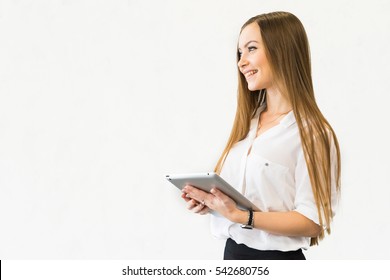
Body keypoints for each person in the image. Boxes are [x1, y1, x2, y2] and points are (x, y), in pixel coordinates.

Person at [181, 11, 341, 260]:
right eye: (240, 53)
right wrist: (212, 204)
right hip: (232, 256)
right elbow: (247, 198)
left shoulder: (313, 133)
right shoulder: (248, 123)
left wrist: (239, 216)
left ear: (282, 50)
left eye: (251, 49)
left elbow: (312, 222)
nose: (241, 62)